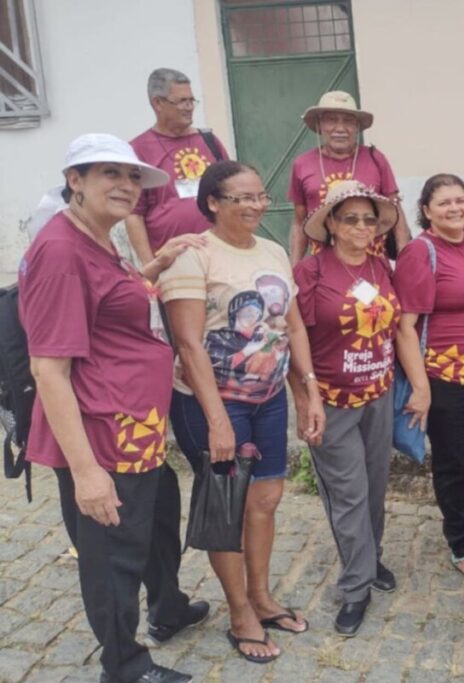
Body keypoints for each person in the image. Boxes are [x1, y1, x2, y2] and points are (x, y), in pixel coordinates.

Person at [20, 133, 210, 683]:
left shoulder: (97, 238)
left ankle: (167, 607)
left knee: (155, 529)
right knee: (114, 555)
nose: (126, 186)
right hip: (103, 436)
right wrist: (86, 474)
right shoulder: (60, 252)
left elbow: (108, 303)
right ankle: (123, 666)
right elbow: (48, 370)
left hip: (137, 426)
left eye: (133, 178)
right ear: (74, 181)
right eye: (110, 174)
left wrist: (156, 265)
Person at [160, 160, 325, 664]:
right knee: (226, 507)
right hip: (212, 404)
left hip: (269, 399)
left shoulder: (274, 250)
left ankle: (260, 593)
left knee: (267, 499)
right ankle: (239, 612)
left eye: (260, 196)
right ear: (213, 202)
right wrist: (215, 421)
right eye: (243, 198)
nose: (257, 205)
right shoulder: (195, 256)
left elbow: (292, 327)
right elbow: (189, 344)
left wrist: (308, 390)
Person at [293, 181, 416, 637]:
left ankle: (371, 557)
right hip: (332, 400)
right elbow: (296, 336)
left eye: (369, 219)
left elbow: (396, 328)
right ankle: (355, 587)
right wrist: (306, 399)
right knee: (348, 495)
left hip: (378, 394)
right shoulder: (310, 272)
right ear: (330, 225)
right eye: (351, 219)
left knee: (375, 487)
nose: (362, 227)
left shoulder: (381, 266)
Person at [393, 173, 464, 586]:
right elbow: (405, 327)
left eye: (460, 200)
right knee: (451, 464)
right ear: (426, 210)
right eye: (444, 203)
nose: (454, 208)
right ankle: (461, 544)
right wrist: (421, 388)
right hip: (447, 380)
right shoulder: (419, 252)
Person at [288, 91, 411, 264]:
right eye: (331, 120)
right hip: (323, 264)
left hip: (372, 262)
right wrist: (294, 267)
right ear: (319, 124)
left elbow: (396, 213)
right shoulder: (302, 164)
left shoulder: (375, 158)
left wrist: (406, 262)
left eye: (348, 121)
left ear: (357, 127)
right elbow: (299, 221)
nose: (340, 128)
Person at [127, 68, 230, 265]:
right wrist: (151, 267)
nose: (189, 107)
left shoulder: (209, 141)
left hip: (220, 257)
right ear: (157, 103)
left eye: (192, 100)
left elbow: (233, 193)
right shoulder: (138, 149)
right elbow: (134, 214)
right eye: (182, 101)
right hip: (172, 261)